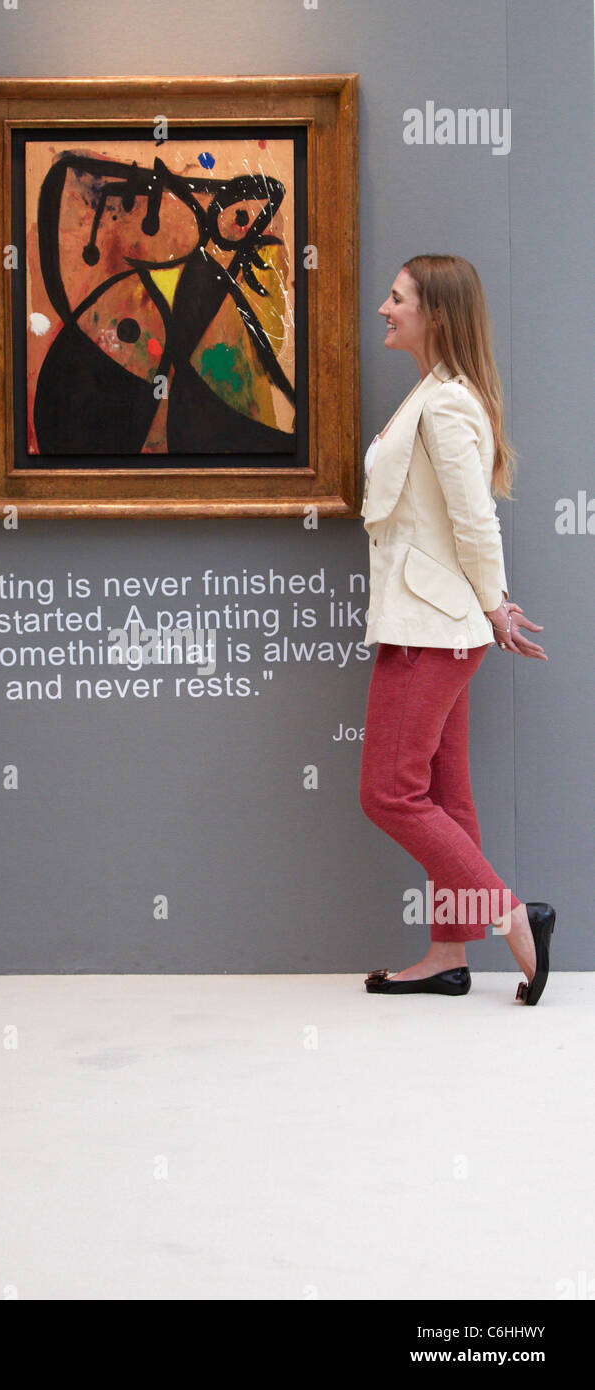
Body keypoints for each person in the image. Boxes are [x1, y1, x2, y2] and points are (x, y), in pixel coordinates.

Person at [358, 254, 555, 1004]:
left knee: (389, 794)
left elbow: (476, 519)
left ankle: (515, 921)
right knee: (444, 791)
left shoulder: (444, 405)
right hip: (438, 623)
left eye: (398, 298)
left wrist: (496, 603)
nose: (384, 307)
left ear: (435, 314)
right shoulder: (436, 394)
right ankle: (448, 952)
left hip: (431, 629)